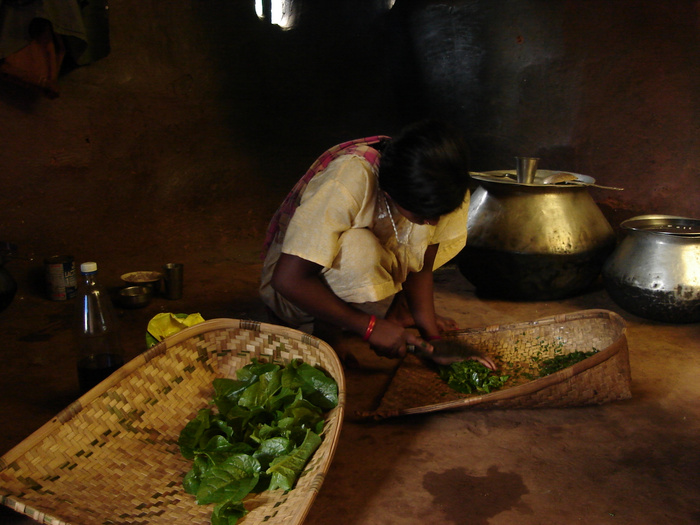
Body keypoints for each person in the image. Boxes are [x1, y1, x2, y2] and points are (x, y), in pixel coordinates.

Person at [260, 119, 493, 367]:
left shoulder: (442, 185)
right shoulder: (347, 179)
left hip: (327, 272)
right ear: (390, 195)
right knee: (359, 251)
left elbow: (422, 263)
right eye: (422, 215)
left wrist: (433, 340)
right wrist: (370, 327)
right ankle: (327, 331)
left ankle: (402, 311)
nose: (433, 222)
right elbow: (287, 279)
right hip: (296, 289)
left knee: (419, 229)